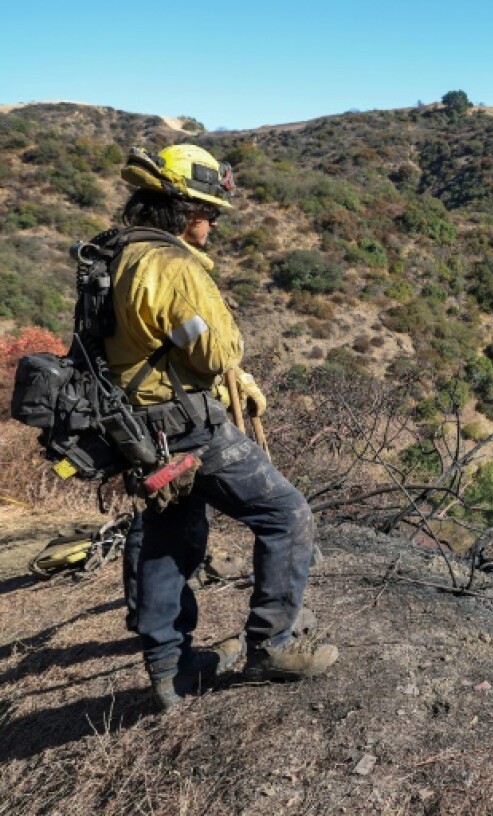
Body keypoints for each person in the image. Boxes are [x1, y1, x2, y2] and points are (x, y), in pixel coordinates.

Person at [109, 145, 337, 710]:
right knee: (286, 514)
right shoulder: (174, 267)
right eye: (210, 212)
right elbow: (215, 353)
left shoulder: (112, 253)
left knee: (168, 538)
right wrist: (233, 352)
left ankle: (170, 668)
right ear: (184, 211)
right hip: (185, 428)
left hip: (136, 427)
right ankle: (271, 644)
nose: (213, 223)